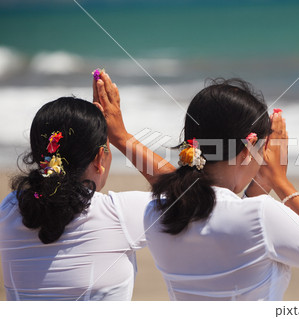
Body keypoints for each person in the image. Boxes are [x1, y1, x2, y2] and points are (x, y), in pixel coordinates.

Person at [139, 78, 299, 301]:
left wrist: (262, 183)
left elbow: (227, 219)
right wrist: (281, 183)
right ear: (247, 151)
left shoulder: (156, 211)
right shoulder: (261, 215)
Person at [0, 71, 174, 300]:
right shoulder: (118, 215)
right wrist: (121, 136)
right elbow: (192, 194)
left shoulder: (9, 211)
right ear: (99, 159)